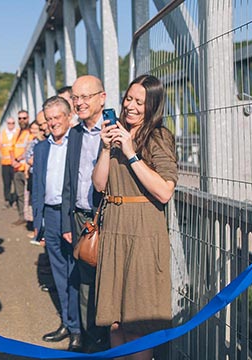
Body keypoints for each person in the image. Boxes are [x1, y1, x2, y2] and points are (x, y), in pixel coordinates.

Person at [91, 74, 177, 359]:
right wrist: (106, 149)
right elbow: (100, 185)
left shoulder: (158, 137)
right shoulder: (116, 135)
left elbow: (164, 191)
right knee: (115, 321)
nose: (131, 106)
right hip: (115, 228)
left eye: (140, 102)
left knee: (138, 322)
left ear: (152, 106)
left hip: (142, 232)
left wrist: (130, 153)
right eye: (129, 98)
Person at [63, 75, 110, 352]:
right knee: (85, 282)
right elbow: (69, 180)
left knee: (110, 280)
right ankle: (91, 341)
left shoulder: (114, 130)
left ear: (101, 98)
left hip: (107, 216)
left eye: (85, 97)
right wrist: (69, 222)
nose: (79, 103)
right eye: (75, 98)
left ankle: (110, 339)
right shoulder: (75, 133)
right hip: (81, 218)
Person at [32, 96, 82, 352]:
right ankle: (67, 322)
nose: (53, 123)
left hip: (70, 216)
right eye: (49, 119)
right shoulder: (41, 148)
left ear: (68, 116)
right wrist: (37, 219)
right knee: (59, 273)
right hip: (49, 216)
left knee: (74, 272)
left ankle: (79, 329)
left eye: (57, 118)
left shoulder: (78, 142)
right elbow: (37, 184)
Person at [11, 110, 32, 226]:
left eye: (24, 118)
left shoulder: (31, 133)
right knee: (19, 195)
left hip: (26, 169)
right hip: (16, 169)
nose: (22, 120)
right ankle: (21, 216)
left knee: (28, 195)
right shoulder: (17, 133)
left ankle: (30, 219)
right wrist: (13, 160)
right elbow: (11, 148)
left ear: (28, 118)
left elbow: (29, 149)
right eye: (19, 118)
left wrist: (18, 159)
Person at [0, 117, 18, 208]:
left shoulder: (18, 133)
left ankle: (15, 201)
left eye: (13, 123)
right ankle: (7, 200)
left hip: (15, 163)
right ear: (6, 124)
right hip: (5, 163)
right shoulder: (2, 134)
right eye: (9, 123)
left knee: (16, 182)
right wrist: (2, 156)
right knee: (6, 183)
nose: (11, 125)